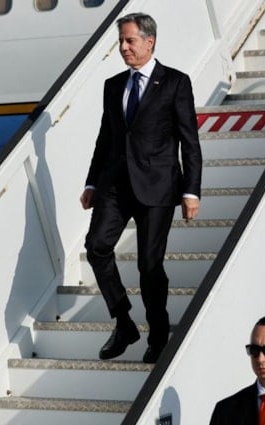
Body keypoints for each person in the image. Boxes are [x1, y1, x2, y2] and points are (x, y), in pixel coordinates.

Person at [80, 12, 202, 363]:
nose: (123, 47)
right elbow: (105, 138)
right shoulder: (113, 85)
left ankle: (158, 335)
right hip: (115, 186)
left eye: (130, 40)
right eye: (121, 40)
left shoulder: (175, 82)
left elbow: (189, 141)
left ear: (150, 42)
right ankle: (123, 322)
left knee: (149, 266)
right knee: (96, 247)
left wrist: (191, 190)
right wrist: (92, 182)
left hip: (158, 187)